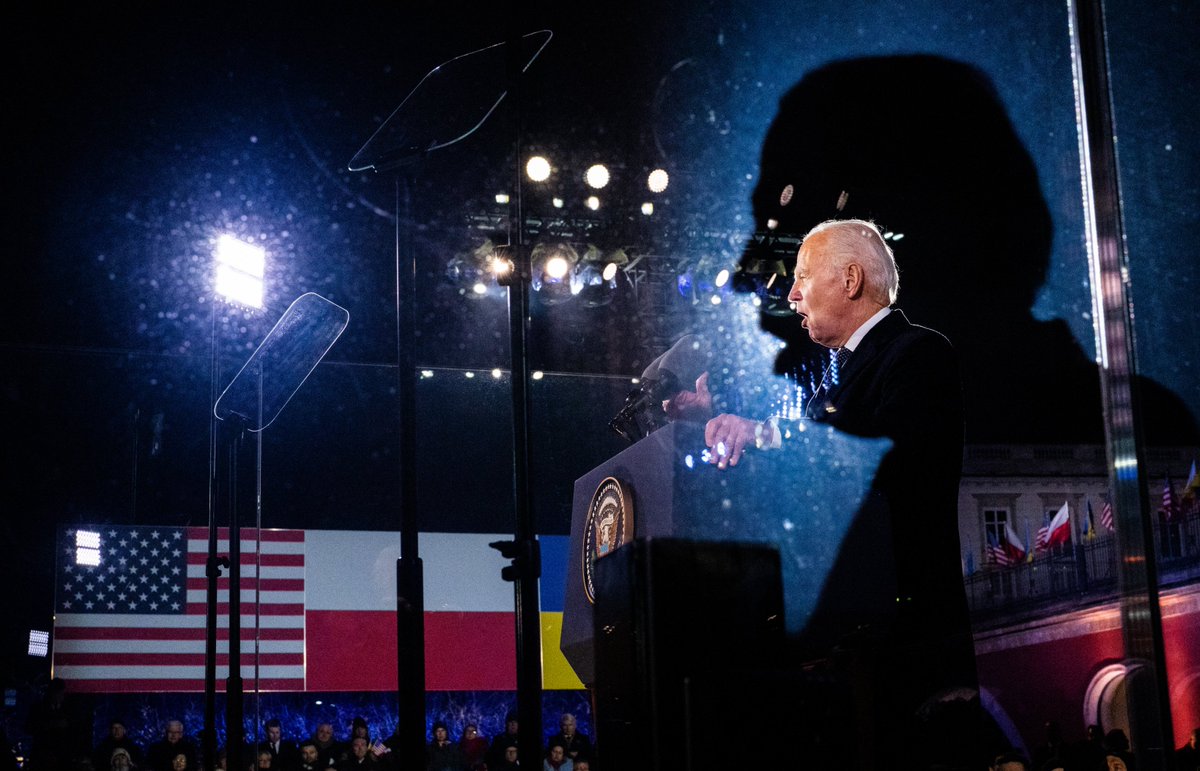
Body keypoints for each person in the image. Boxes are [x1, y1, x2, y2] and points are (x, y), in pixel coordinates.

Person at [703, 218, 979, 769]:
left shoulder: (917, 353)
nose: (793, 293)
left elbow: (880, 455)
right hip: (841, 645)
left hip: (903, 641)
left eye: (804, 276)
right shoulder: (834, 381)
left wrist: (762, 434)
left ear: (850, 279)